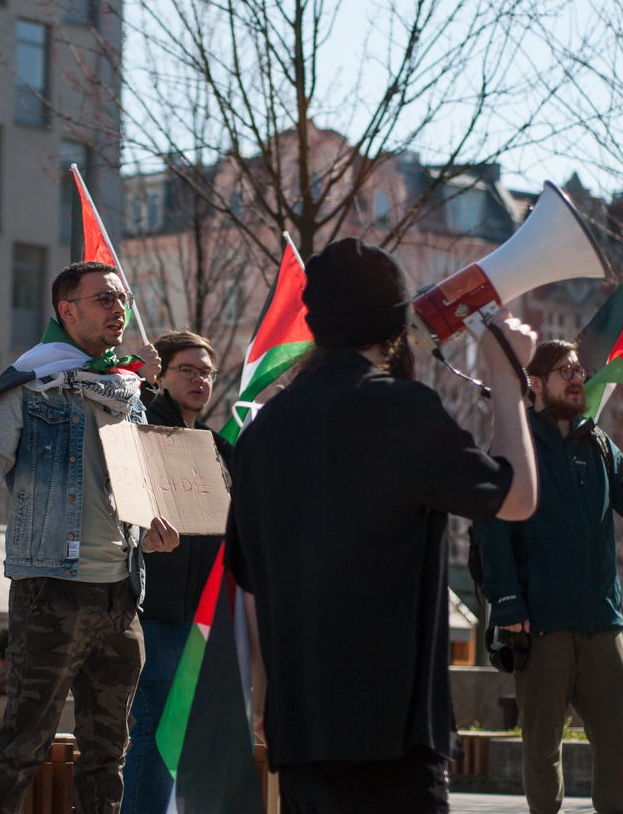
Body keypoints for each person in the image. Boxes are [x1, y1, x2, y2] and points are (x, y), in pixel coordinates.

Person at [226, 238, 540, 814]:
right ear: (396, 323)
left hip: (300, 734)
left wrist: (266, 702)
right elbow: (517, 497)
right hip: (391, 737)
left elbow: (251, 584)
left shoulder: (260, 434)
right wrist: (508, 379)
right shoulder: (403, 409)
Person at [0, 261, 181, 814]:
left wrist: (148, 527)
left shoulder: (126, 389)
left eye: (121, 299)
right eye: (104, 299)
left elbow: (125, 489)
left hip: (122, 595)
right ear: (67, 310)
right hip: (50, 590)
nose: (119, 309)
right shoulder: (27, 384)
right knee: (23, 745)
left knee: (109, 753)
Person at [476, 339, 623, 814]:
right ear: (536, 384)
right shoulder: (515, 441)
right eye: (565, 370)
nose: (578, 376)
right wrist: (508, 605)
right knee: (542, 749)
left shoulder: (598, 443)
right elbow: (490, 525)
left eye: (579, 369)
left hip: (602, 621)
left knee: (618, 746)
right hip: (541, 623)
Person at [123, 329, 230, 814]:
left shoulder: (216, 446)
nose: (199, 380)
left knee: (180, 738)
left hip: (203, 618)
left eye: (206, 372)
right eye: (186, 369)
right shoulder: (141, 427)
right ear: (161, 375)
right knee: (155, 733)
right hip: (156, 613)